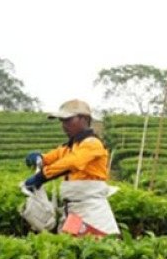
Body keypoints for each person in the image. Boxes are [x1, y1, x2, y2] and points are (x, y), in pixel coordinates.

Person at [24, 99, 120, 236]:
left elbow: (72, 163)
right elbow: (50, 158)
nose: (64, 125)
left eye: (68, 120)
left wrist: (41, 177)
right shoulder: (69, 147)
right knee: (72, 246)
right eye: (62, 121)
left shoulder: (92, 144)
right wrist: (38, 157)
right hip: (73, 208)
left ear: (84, 119)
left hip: (91, 208)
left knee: (99, 243)